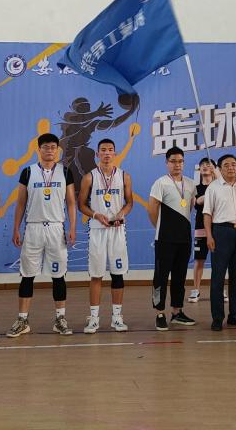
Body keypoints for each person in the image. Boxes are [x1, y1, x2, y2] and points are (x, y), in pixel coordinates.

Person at [6, 133, 77, 337]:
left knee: (58, 275)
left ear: (58, 150)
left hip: (56, 227)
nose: (50, 150)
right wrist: (16, 228)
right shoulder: (28, 172)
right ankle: (22, 320)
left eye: (53, 147)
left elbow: (71, 202)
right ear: (39, 149)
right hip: (33, 228)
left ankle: (60, 319)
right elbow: (21, 202)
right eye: (46, 147)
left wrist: (72, 227)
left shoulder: (65, 171)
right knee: (27, 275)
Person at [78, 138, 132, 333]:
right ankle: (94, 318)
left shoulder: (124, 176)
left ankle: (117, 318)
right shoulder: (89, 177)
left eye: (110, 150)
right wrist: (95, 215)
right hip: (97, 230)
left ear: (115, 153)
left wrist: (121, 214)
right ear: (97, 154)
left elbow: (129, 202)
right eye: (103, 150)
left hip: (117, 230)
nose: (107, 153)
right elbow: (81, 205)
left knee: (117, 274)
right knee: (96, 274)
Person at [147, 146, 197, 331]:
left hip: (184, 239)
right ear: (167, 163)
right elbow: (152, 209)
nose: (177, 164)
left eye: (180, 161)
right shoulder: (160, 183)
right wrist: (161, 228)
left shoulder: (190, 184)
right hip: (165, 239)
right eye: (173, 161)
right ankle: (159, 313)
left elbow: (189, 207)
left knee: (180, 276)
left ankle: (177, 312)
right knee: (161, 277)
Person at [204, 154, 236, 331]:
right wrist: (209, 236)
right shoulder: (213, 187)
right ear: (219, 168)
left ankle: (235, 315)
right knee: (218, 277)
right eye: (226, 165)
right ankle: (217, 318)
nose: (231, 167)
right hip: (221, 233)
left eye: (234, 164)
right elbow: (207, 214)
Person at [188, 157, 217, 304]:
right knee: (199, 260)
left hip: (218, 228)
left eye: (208, 164)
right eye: (203, 165)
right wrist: (212, 192)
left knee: (219, 261)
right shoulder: (196, 188)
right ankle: (196, 290)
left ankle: (219, 290)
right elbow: (197, 202)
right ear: (199, 169)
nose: (205, 166)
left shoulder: (220, 186)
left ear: (214, 169)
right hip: (201, 227)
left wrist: (217, 186)